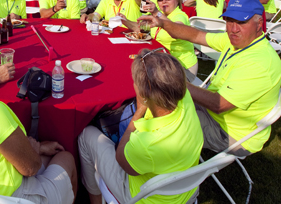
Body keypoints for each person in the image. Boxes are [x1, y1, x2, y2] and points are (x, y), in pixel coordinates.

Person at [139, 0, 281, 156]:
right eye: (229, 20)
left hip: (230, 133)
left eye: (242, 22)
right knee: (158, 101)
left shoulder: (259, 62)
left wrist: (173, 81)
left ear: (259, 24)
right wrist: (163, 23)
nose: (233, 29)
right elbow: (195, 35)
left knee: (161, 120)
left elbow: (219, 105)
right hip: (215, 114)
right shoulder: (238, 41)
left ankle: (143, 160)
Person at [0, 36, 77, 203]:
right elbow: (31, 167)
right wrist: (32, 148)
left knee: (49, 157)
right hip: (13, 197)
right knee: (66, 157)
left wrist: (36, 147)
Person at [78, 48, 203, 204]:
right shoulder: (185, 98)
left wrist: (139, 111)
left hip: (141, 197)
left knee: (85, 134)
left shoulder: (146, 144)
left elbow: (122, 160)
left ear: (144, 94)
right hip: (186, 191)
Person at [134, 0, 198, 74]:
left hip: (181, 67)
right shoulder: (159, 15)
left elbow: (176, 30)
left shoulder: (179, 15)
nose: (164, 1)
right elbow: (140, 27)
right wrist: (123, 20)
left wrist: (157, 12)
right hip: (163, 62)